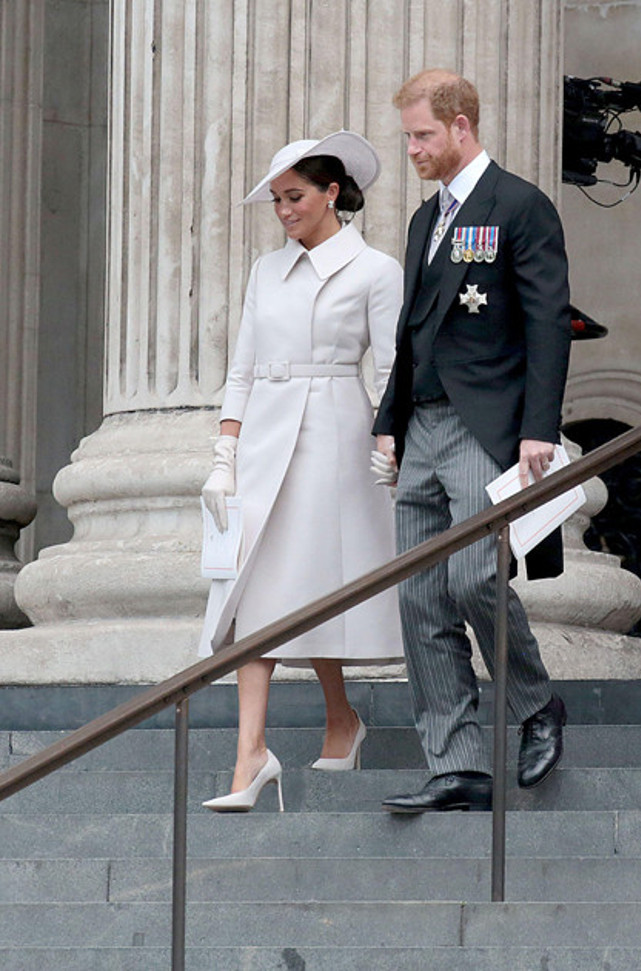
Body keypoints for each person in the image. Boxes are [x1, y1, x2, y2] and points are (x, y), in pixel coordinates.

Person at [371, 69, 571, 813]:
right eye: (409, 137)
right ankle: (456, 762)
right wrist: (388, 422)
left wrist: (538, 429)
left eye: (423, 135)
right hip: (420, 426)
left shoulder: (520, 205)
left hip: (484, 427)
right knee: (420, 595)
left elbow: (550, 322)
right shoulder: (427, 219)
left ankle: (534, 706)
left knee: (473, 577)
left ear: (462, 126)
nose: (414, 149)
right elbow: (411, 332)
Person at [199, 131, 403, 812]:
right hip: (264, 438)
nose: (284, 210)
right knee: (254, 586)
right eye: (278, 199)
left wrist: (390, 437)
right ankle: (251, 754)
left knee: (310, 586)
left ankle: (339, 717)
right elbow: (243, 365)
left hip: (335, 439)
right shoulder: (265, 271)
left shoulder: (376, 270)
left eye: (295, 196)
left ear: (332, 193)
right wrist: (224, 454)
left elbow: (396, 365)